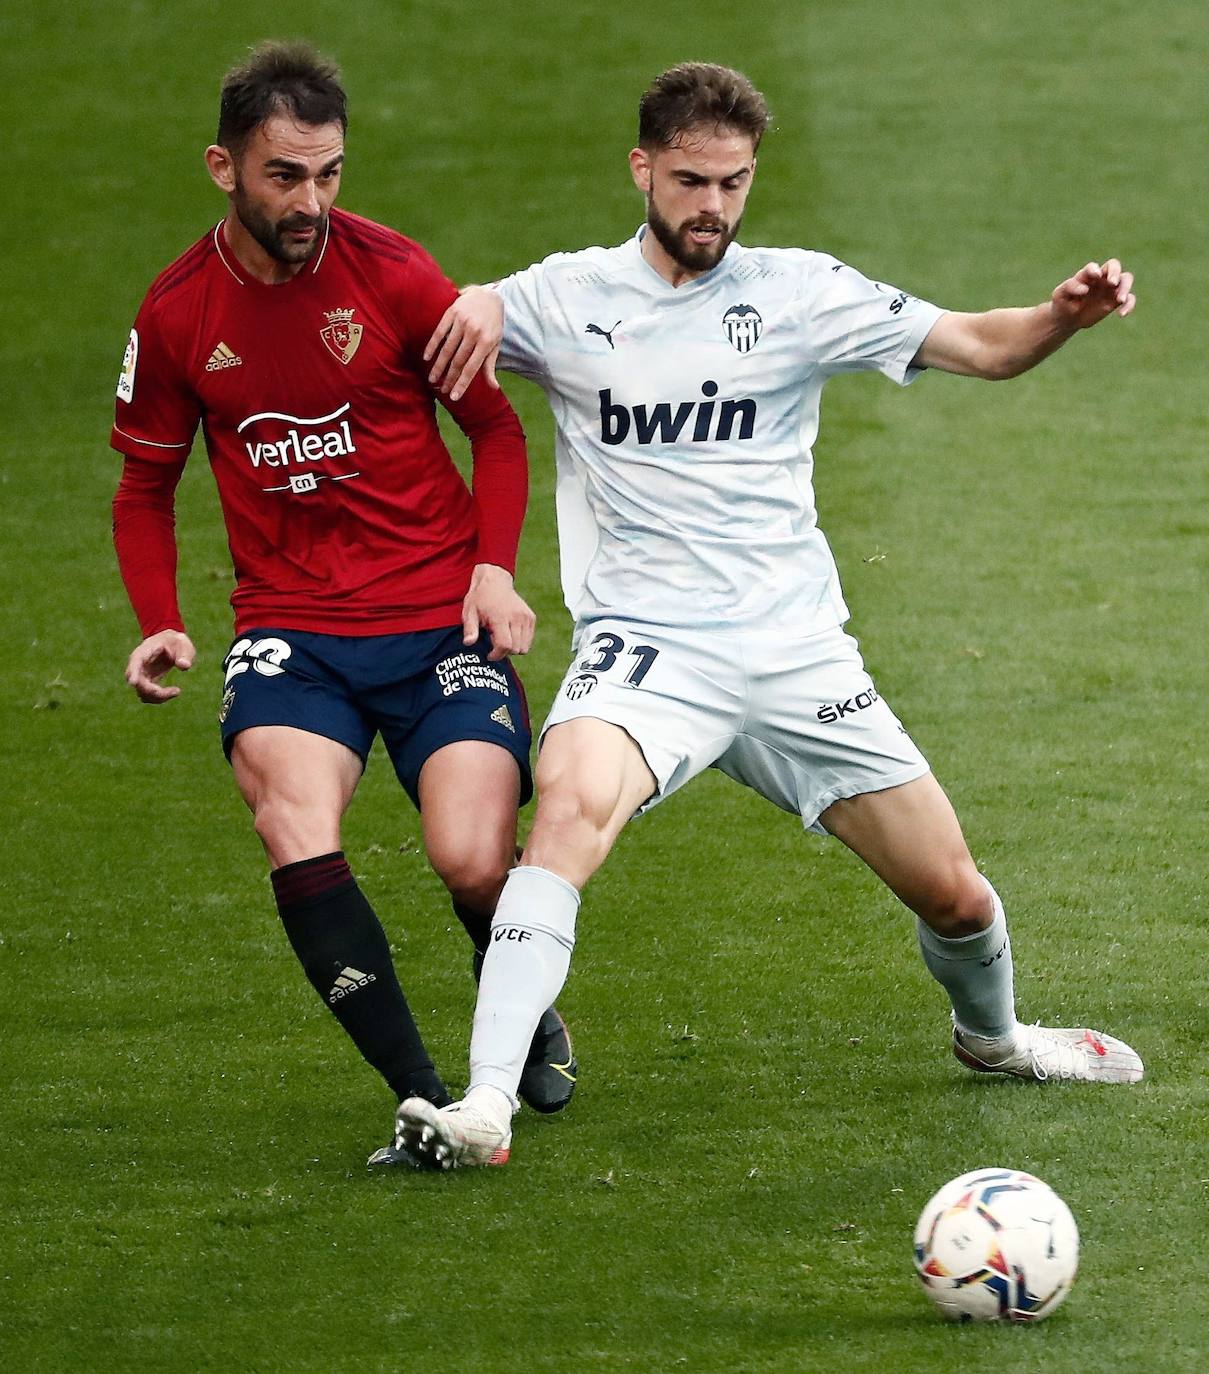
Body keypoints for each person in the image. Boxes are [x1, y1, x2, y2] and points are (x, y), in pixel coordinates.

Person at [394, 61, 1143, 1170]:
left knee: (954, 892)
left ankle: (993, 1039)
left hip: (797, 654)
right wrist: (464, 301)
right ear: (642, 167)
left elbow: (984, 345)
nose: (713, 207)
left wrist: (1062, 316)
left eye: (734, 183)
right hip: (649, 652)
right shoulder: (565, 296)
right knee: (564, 815)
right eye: (692, 180)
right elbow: (427, 327)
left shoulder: (800, 292)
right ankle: (486, 1106)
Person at [110, 41, 576, 1167]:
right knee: (293, 826)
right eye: (286, 176)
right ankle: (428, 1101)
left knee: (472, 857)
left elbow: (499, 432)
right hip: (292, 632)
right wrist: (159, 615)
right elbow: (145, 484)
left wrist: (495, 567)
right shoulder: (177, 315)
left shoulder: (398, 277)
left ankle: (516, 986)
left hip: (434, 622)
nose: (313, 201)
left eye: (329, 174)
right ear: (224, 168)